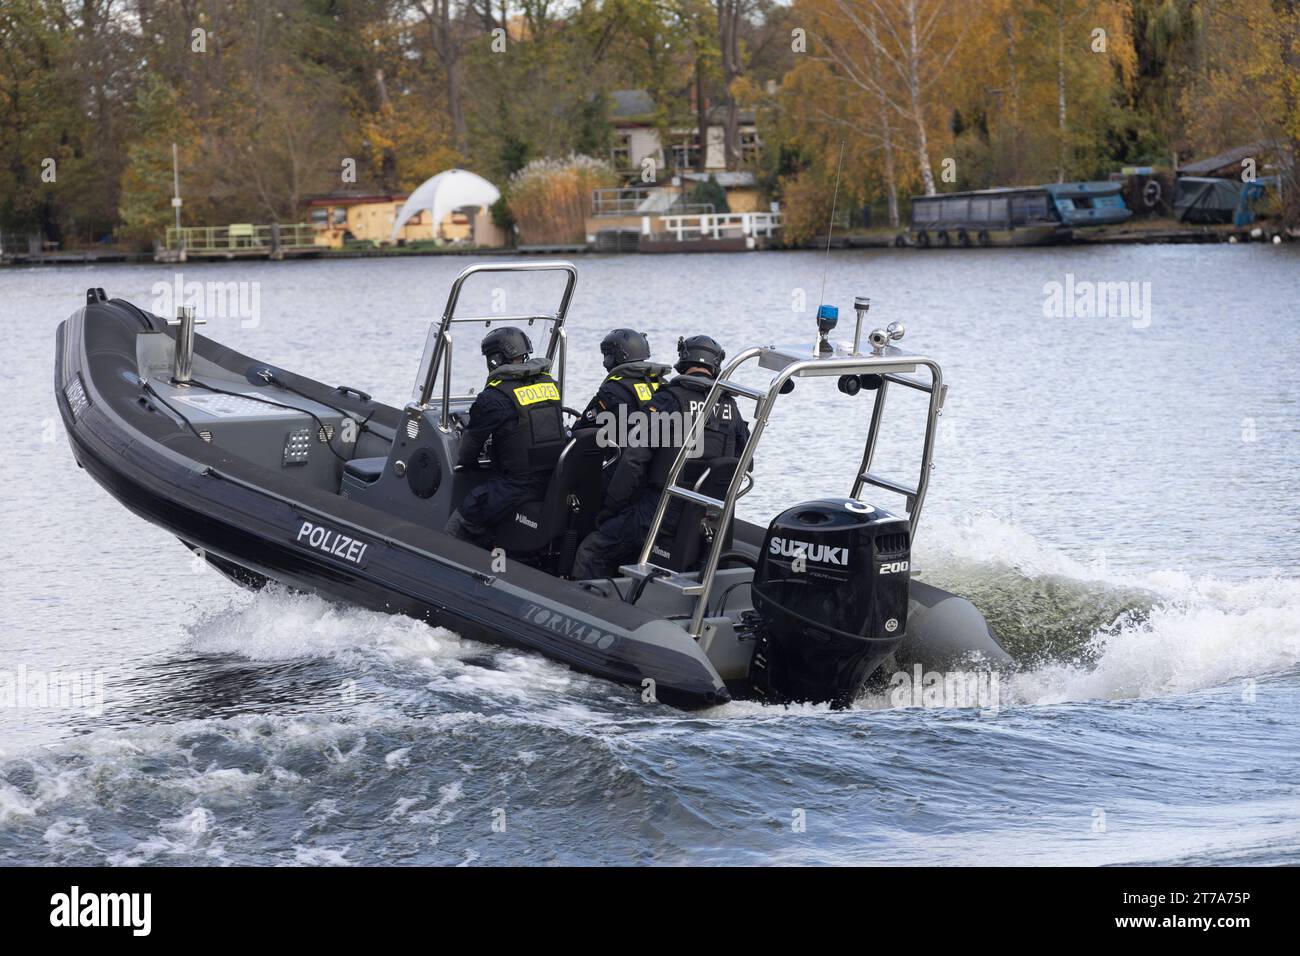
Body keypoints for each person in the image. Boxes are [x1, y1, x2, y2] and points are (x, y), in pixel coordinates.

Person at [570, 334, 749, 580]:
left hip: (662, 511)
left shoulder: (669, 398)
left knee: (592, 549)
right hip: (706, 513)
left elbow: (634, 458)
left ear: (684, 359)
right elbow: (744, 463)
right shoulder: (731, 406)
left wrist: (612, 507)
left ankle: (590, 605)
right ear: (715, 364)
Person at [444, 326, 566, 548]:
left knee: (462, 520)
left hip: (517, 486)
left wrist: (469, 465)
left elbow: (466, 453)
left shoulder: (493, 397)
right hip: (552, 480)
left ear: (495, 360)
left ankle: (459, 560)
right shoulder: (550, 384)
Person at [574, 329, 671, 432]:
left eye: (606, 355)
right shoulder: (663, 382)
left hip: (627, 445)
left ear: (615, 356)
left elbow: (585, 424)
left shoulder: (612, 389)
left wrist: (578, 422)